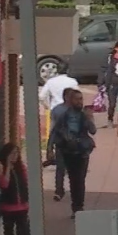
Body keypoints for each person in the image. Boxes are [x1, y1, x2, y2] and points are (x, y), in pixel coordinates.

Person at [47, 89, 97, 218]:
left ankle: (78, 206)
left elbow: (93, 131)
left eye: (81, 99)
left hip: (82, 152)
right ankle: (76, 207)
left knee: (80, 180)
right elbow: (55, 131)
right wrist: (49, 148)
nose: (80, 102)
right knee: (74, 180)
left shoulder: (83, 115)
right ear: (70, 100)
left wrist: (89, 117)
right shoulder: (64, 115)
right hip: (68, 152)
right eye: (77, 99)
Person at [0, 143, 30, 235]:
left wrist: (27, 201)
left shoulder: (21, 167)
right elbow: (4, 184)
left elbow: (25, 183)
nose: (15, 156)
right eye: (12, 154)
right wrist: (8, 168)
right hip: (8, 207)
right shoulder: (2, 168)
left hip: (22, 207)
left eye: (17, 153)